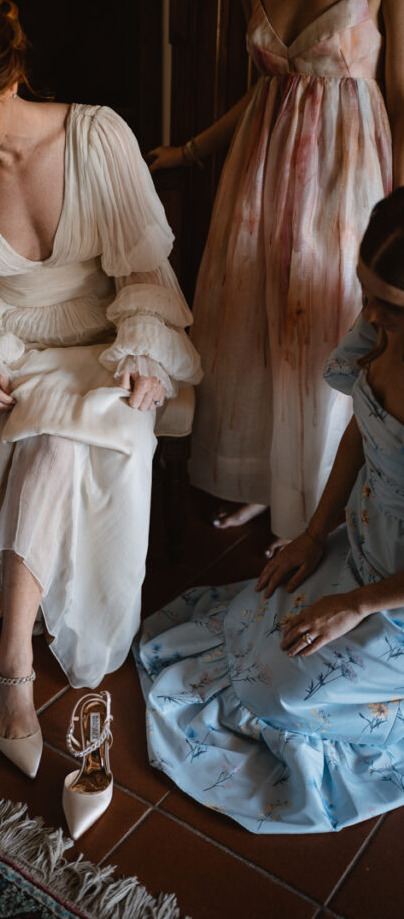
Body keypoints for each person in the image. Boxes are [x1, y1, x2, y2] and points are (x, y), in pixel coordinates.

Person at [0, 0, 202, 778]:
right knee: (50, 429)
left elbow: (141, 271)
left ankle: (8, 662)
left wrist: (142, 352)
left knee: (65, 428)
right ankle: (14, 667)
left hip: (104, 349)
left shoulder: (96, 136)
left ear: (12, 79)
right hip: (15, 355)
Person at [135, 188, 404, 834]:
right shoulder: (378, 331)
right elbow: (362, 434)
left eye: (389, 306)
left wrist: (359, 603)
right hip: (368, 539)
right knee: (259, 616)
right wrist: (315, 535)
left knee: (278, 691)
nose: (366, 313)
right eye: (364, 290)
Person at [149, 0, 404, 553]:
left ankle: (324, 507)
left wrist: (397, 222)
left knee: (327, 328)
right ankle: (276, 482)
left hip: (349, 180)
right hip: (257, 178)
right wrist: (190, 151)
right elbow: (268, 87)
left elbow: (401, 96)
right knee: (261, 325)